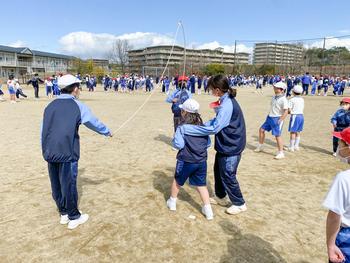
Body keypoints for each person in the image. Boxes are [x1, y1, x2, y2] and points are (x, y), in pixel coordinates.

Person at [41, 74, 112, 230]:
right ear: (74, 89)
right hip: (68, 151)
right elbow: (93, 122)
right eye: (78, 87)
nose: (79, 90)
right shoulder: (77, 105)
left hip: (50, 151)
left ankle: (63, 212)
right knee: (69, 183)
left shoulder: (50, 106)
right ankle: (74, 216)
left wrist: (45, 149)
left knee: (56, 183)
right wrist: (107, 132)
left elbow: (43, 130)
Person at [177, 75, 247, 215]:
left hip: (232, 144)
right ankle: (220, 196)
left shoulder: (227, 104)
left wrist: (190, 129)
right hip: (225, 143)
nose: (209, 91)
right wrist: (203, 125)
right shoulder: (224, 100)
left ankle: (239, 203)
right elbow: (216, 121)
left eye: (210, 89)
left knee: (228, 173)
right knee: (218, 170)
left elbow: (214, 128)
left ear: (217, 89)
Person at [167, 99, 213, 220]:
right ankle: (208, 210)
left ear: (184, 112)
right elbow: (208, 143)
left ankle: (172, 202)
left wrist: (175, 139)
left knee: (177, 181)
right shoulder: (203, 127)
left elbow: (179, 145)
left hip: (186, 160)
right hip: (201, 161)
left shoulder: (182, 128)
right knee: (201, 184)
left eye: (182, 110)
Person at [323, 127, 350, 263]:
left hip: (347, 237)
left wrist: (330, 245)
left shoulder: (344, 178)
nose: (338, 145)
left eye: (341, 142)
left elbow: (334, 216)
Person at [255, 81, 289, 159]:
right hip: (270, 117)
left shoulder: (284, 99)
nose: (275, 89)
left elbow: (286, 110)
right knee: (261, 130)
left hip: (277, 118)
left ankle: (281, 152)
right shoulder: (274, 97)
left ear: (282, 90)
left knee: (277, 135)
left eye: (277, 88)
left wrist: (281, 119)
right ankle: (260, 146)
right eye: (275, 87)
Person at [287, 85, 304, 152]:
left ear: (293, 92)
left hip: (295, 116)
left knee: (292, 132)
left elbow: (289, 110)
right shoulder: (302, 99)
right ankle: (296, 146)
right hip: (301, 116)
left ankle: (291, 147)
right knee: (298, 132)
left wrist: (288, 112)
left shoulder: (291, 99)